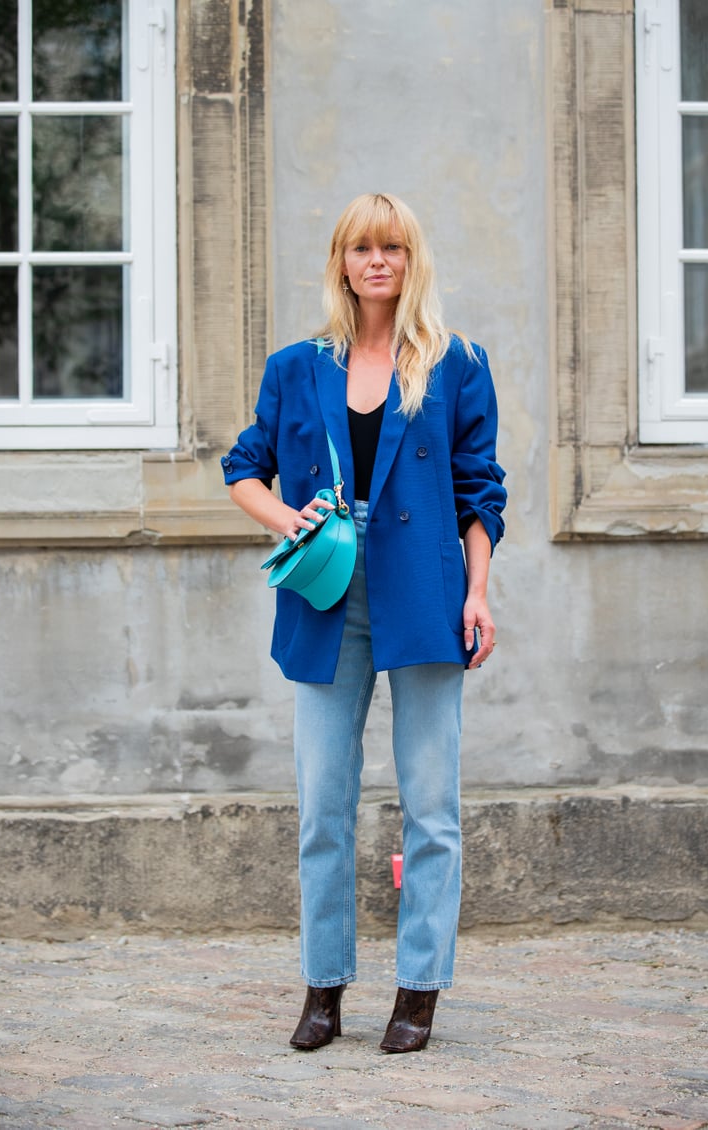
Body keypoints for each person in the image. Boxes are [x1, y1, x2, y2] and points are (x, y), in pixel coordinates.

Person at [221, 192, 507, 1054]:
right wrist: (290, 521)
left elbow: (480, 492)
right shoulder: (295, 366)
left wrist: (479, 592)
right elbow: (244, 469)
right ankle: (323, 990)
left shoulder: (457, 362)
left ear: (411, 259)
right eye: (359, 248)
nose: (375, 261)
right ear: (341, 261)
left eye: (391, 247)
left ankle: (419, 991)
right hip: (326, 604)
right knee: (322, 808)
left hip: (425, 600)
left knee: (433, 809)